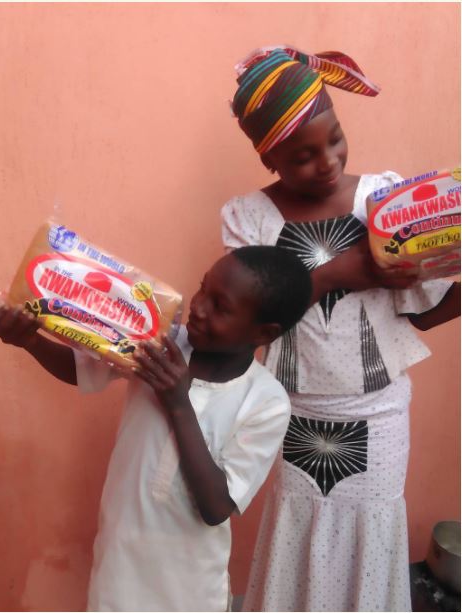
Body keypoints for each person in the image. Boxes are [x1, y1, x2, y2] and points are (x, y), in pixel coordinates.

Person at [222, 45, 460, 612]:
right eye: (302, 156)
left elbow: (421, 311)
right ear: (269, 160)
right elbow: (253, 315)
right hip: (292, 410)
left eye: (333, 139)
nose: (326, 161)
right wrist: (344, 271)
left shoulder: (384, 200)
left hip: (378, 412)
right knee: (297, 530)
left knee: (371, 533)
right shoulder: (248, 219)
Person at [0, 245, 313, 612]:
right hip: (119, 564)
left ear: (263, 332)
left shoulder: (266, 401)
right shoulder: (157, 343)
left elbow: (216, 507)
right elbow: (79, 369)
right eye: (204, 288)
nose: (200, 306)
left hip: (190, 585)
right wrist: (29, 340)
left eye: (221, 306)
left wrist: (177, 402)